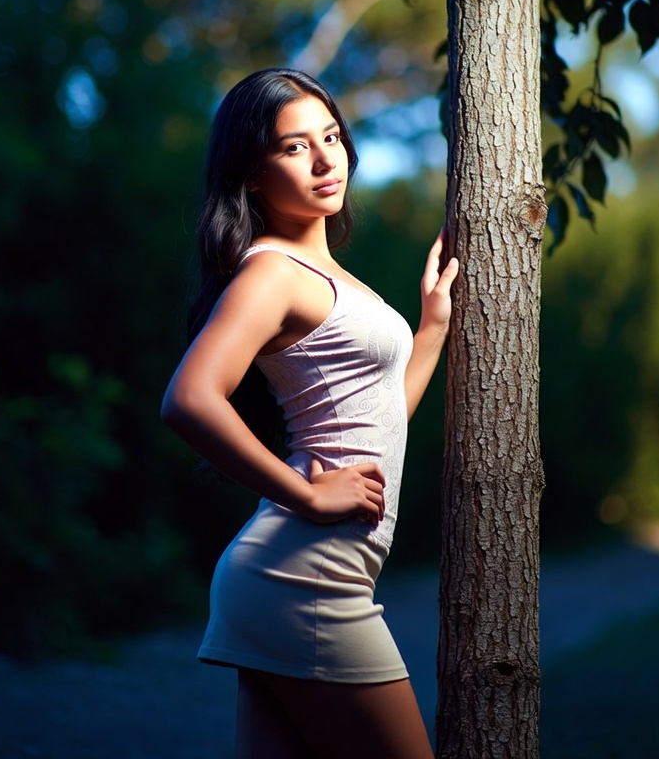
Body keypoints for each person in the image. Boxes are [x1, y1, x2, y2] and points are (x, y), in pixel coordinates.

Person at [161, 67, 458, 759]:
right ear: (252, 176)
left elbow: (378, 420)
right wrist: (309, 495)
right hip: (307, 578)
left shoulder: (324, 273)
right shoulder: (272, 272)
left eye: (331, 137)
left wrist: (432, 329)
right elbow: (188, 398)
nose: (327, 160)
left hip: (295, 579)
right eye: (295, 147)